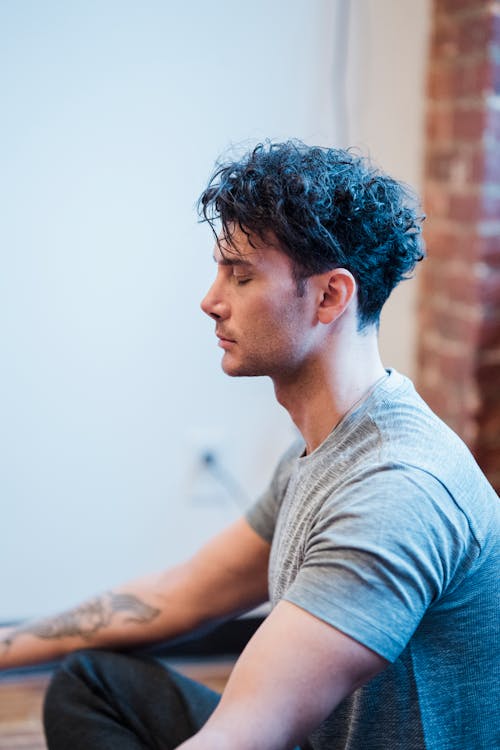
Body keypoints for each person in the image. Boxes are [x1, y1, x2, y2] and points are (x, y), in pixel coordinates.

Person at [1, 141, 499, 750]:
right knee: (95, 682)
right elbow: (178, 596)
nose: (210, 301)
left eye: (240, 276)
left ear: (329, 297)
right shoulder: (325, 448)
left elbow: (242, 734)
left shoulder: (396, 490)